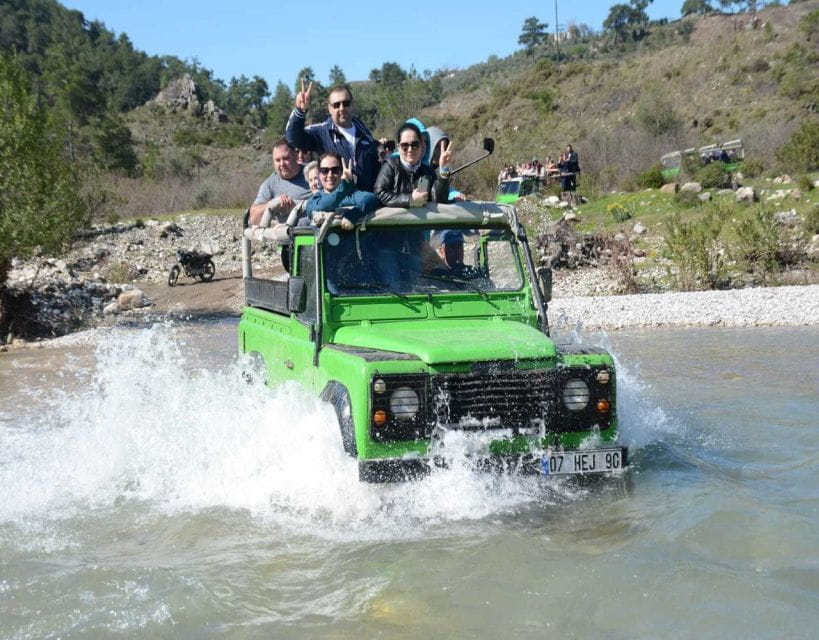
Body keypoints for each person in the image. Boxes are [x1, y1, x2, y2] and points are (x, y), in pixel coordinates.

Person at [286, 80, 380, 191]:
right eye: (336, 105)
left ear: (352, 105)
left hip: (366, 200)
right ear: (329, 109)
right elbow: (293, 138)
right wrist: (300, 111)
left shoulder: (364, 132)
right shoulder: (322, 132)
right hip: (335, 202)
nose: (341, 108)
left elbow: (374, 167)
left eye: (346, 103)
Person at [374, 122, 452, 208]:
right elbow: (379, 194)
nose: (410, 149)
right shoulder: (390, 166)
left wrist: (444, 169)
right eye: (405, 146)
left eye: (415, 145)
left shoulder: (428, 171)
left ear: (421, 146)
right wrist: (410, 199)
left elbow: (439, 200)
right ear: (399, 147)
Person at [305, 152, 379, 227]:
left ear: (341, 172)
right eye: (325, 171)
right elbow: (321, 207)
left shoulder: (350, 195)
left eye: (335, 170)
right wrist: (343, 190)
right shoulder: (314, 200)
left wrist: (353, 214)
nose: (330, 175)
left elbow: (371, 198)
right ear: (319, 174)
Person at [249, 139, 311, 227]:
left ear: (296, 156)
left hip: (315, 234)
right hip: (287, 237)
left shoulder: (312, 172)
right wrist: (273, 203)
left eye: (285, 158)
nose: (282, 164)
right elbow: (253, 219)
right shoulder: (270, 183)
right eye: (277, 160)